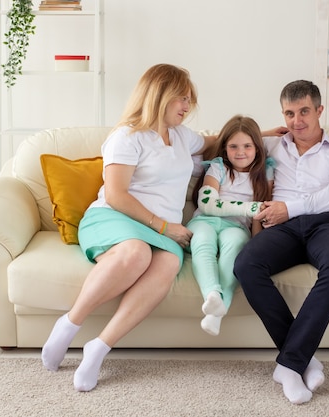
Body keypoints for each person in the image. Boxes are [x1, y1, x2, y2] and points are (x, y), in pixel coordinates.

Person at [40, 63, 215, 392]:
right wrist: (166, 227)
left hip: (162, 233)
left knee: (168, 262)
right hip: (115, 216)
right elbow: (118, 195)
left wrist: (266, 135)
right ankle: (68, 324)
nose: (187, 105)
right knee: (136, 254)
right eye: (181, 97)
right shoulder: (128, 136)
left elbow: (215, 140)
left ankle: (99, 347)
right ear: (158, 95)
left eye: (190, 98)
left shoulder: (181, 136)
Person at [233, 80, 329, 404]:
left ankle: (289, 364)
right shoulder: (273, 145)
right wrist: (261, 133)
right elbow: (227, 147)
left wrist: (291, 207)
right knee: (246, 265)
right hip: (284, 227)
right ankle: (300, 359)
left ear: (320, 110)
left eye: (304, 111)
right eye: (289, 113)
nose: (297, 121)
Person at [187, 115, 275, 336]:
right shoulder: (217, 167)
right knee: (203, 242)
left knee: (233, 248)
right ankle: (213, 295)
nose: (240, 152)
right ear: (225, 149)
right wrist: (249, 208)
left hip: (236, 228)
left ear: (257, 147)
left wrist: (257, 238)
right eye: (233, 146)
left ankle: (216, 312)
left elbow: (262, 211)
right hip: (204, 221)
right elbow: (207, 203)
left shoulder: (266, 171)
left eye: (247, 146)